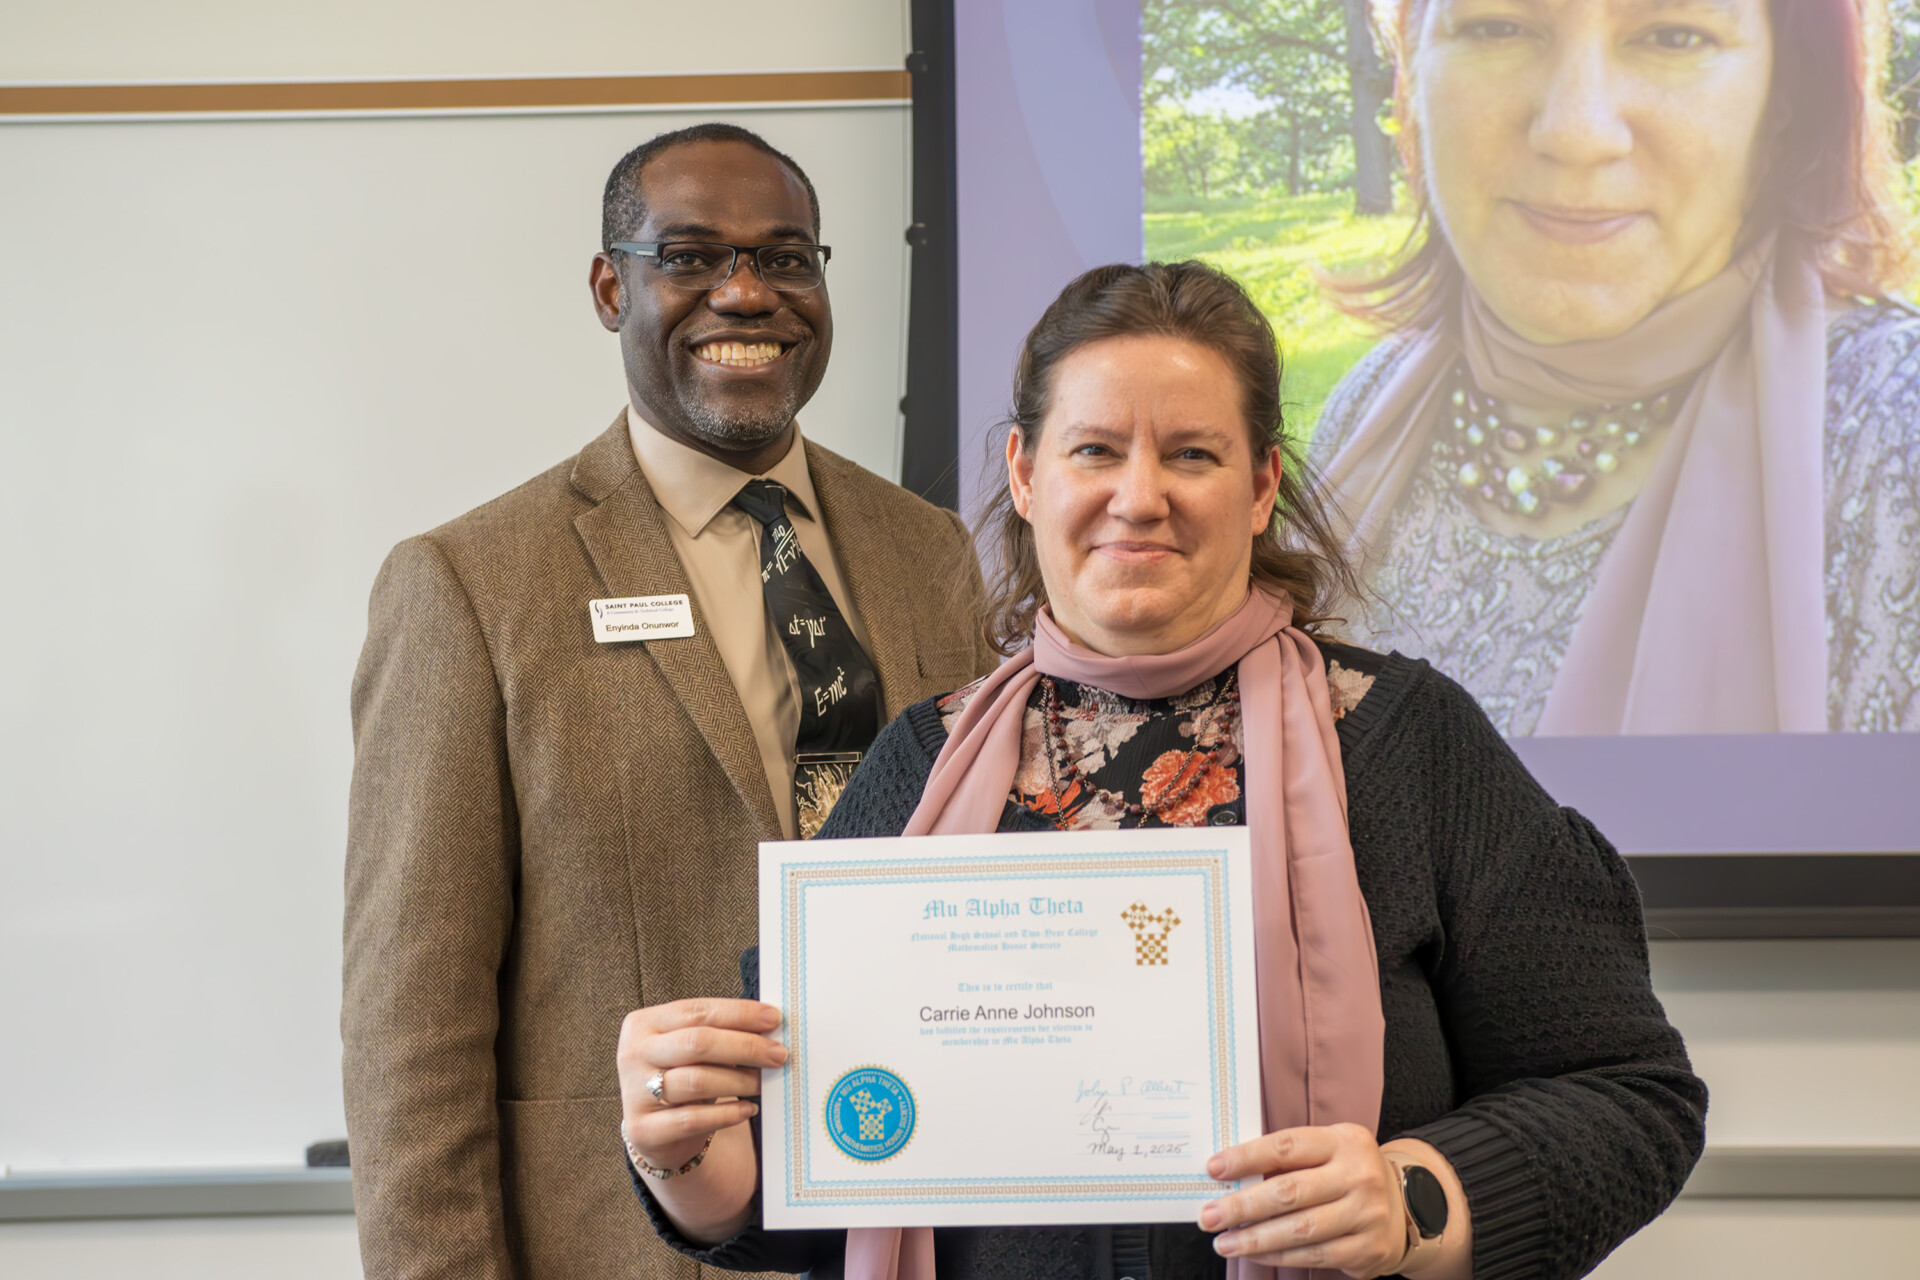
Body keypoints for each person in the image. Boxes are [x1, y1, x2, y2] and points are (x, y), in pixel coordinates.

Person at [613, 261, 1707, 1280]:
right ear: (1027, 474)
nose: (1141, 496)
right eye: (1095, 450)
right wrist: (684, 1147)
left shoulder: (1407, 740)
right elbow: (801, 1177)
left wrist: (1412, 1195)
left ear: (1262, 480)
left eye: (1192, 452)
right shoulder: (924, 760)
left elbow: (1630, 1096)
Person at [342, 123, 997, 1280]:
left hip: (921, 1223)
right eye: (689, 257)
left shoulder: (929, 549)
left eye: (786, 259)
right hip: (623, 1249)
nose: (746, 293)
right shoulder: (471, 585)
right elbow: (413, 1030)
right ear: (612, 287)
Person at [1307, 0, 1920, 735]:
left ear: (1784, 95)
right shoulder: (1360, 411)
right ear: (1412, 65)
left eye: (1673, 35)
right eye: (1498, 26)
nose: (1577, 130)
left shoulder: (1895, 437)